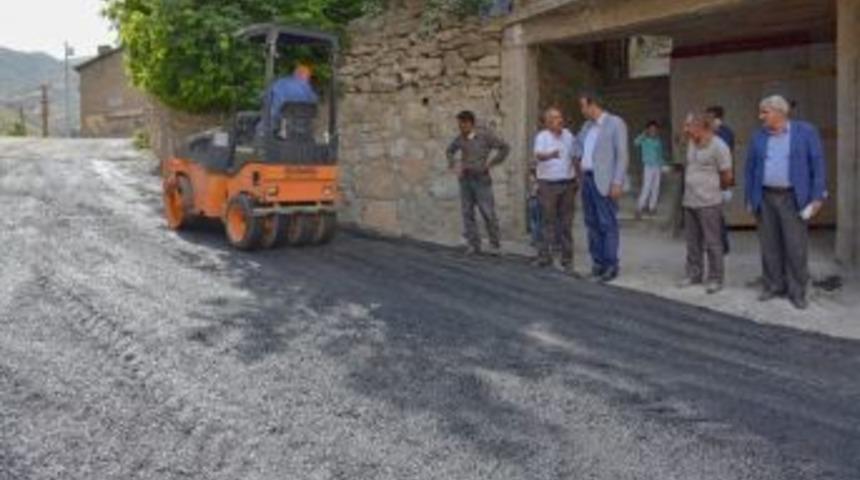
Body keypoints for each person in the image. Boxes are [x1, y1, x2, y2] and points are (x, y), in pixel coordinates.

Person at [745, 95, 827, 310]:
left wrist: (818, 197)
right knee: (769, 245)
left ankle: (797, 291)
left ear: (780, 112)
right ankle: (773, 285)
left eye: (765, 112)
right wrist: (750, 199)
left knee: (795, 246)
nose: (760, 116)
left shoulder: (805, 132)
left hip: (794, 198)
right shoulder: (758, 137)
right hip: (765, 196)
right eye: (761, 112)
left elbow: (817, 165)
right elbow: (750, 169)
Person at [678, 113, 734, 294]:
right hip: (690, 200)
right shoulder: (691, 142)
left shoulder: (719, 146)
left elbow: (727, 175)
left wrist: (719, 191)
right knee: (692, 242)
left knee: (712, 242)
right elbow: (681, 148)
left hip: (709, 201)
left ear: (701, 127)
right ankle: (694, 274)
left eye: (689, 126)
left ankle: (715, 279)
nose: (686, 130)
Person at [577, 91, 629, 283]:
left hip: (606, 182)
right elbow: (577, 147)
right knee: (591, 223)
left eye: (583, 106)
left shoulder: (615, 123)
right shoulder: (586, 126)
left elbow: (622, 155)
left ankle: (611, 266)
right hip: (588, 180)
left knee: (607, 224)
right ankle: (597, 264)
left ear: (593, 105)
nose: (581, 111)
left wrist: (617, 182)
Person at [446, 110, 511, 256]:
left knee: (488, 212)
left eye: (463, 125)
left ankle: (495, 245)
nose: (460, 128)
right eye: (459, 125)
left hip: (481, 179)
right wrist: (454, 165)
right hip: (465, 180)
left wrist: (492, 163)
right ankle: (473, 245)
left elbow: (505, 147)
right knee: (467, 212)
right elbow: (450, 151)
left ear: (470, 123)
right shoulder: (460, 138)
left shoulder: (485, 136)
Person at [532, 107, 581, 273]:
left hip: (567, 183)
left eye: (560, 117)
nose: (559, 120)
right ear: (547, 123)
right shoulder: (542, 136)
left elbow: (575, 156)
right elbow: (538, 156)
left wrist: (578, 178)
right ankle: (544, 256)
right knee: (547, 221)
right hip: (547, 184)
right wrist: (550, 155)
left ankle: (567, 259)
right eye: (553, 118)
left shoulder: (568, 135)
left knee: (566, 223)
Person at [706, 105, 735, 255]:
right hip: (710, 180)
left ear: (718, 118)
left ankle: (722, 245)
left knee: (718, 214)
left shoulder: (725, 133)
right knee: (712, 214)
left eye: (710, 117)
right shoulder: (710, 132)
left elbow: (722, 156)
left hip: (722, 180)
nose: (707, 120)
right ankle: (716, 244)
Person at [266, 64, 319, 137]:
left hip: (277, 128)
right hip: (303, 130)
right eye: (308, 77)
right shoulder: (309, 90)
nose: (308, 79)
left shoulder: (280, 84)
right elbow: (314, 105)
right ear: (302, 75)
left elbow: (269, 103)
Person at [634, 120, 666, 217]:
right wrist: (644, 134)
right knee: (646, 187)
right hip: (648, 166)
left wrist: (663, 165)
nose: (653, 131)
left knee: (655, 187)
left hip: (657, 166)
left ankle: (652, 207)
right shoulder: (644, 139)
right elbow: (636, 142)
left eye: (655, 130)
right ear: (647, 130)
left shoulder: (658, 140)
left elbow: (660, 154)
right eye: (651, 129)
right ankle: (639, 207)